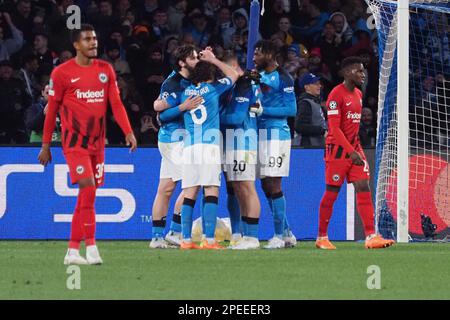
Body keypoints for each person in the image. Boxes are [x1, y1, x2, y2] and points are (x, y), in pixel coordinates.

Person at [38, 24, 137, 265]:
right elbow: (51, 112)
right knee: (88, 188)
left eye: (94, 38)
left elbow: (116, 104)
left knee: (87, 196)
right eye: (87, 39)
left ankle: (72, 251)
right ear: (76, 45)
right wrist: (45, 145)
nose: (93, 43)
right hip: (73, 144)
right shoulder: (61, 73)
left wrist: (128, 131)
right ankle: (91, 246)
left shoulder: (106, 70)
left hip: (97, 144)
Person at [316, 56, 394, 250]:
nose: (363, 74)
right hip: (337, 151)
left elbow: (352, 127)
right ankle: (322, 237)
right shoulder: (335, 95)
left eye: (363, 70)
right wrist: (351, 152)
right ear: (346, 72)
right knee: (332, 192)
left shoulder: (359, 94)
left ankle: (370, 236)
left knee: (363, 186)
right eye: (358, 71)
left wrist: (355, 148)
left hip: (353, 148)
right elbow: (334, 129)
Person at [176, 50, 239, 250]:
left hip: (189, 146)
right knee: (211, 190)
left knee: (189, 192)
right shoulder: (213, 88)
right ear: (210, 76)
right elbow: (234, 74)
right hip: (209, 146)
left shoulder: (185, 94)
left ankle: (185, 239)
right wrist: (214, 60)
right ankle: (209, 240)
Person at [149, 45, 203, 248]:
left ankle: (157, 237)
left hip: (174, 140)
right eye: (193, 58)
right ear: (182, 62)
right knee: (192, 183)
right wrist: (183, 107)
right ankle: (175, 230)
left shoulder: (188, 80)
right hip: (174, 139)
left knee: (166, 188)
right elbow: (160, 113)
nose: (197, 61)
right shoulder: (174, 83)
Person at [252, 40, 297, 249]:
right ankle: (287, 233)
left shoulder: (283, 78)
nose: (254, 57)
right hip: (259, 134)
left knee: (274, 184)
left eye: (258, 53)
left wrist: (264, 111)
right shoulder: (256, 76)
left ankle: (279, 236)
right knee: (264, 184)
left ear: (270, 55)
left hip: (276, 135)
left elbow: (291, 110)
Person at [220, 52, 261, 250]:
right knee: (235, 189)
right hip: (229, 144)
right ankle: (240, 233)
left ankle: (252, 236)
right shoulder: (229, 88)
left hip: (243, 143)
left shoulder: (244, 86)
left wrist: (211, 117)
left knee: (246, 188)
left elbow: (235, 118)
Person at [295, 72, 327, 147]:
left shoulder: (315, 101)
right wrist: (322, 131)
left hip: (318, 144)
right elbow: (300, 126)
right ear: (307, 87)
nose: (319, 86)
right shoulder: (305, 103)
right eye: (316, 84)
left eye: (319, 83)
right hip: (309, 146)